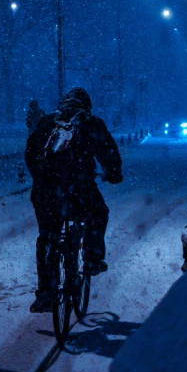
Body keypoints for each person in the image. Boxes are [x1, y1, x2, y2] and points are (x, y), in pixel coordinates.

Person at [25, 87, 123, 313]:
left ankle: (45, 294)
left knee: (47, 238)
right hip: (79, 191)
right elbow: (108, 151)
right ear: (86, 106)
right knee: (99, 213)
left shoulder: (48, 122)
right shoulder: (90, 123)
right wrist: (113, 172)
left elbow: (30, 152)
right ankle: (91, 258)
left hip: (46, 195)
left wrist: (42, 178)